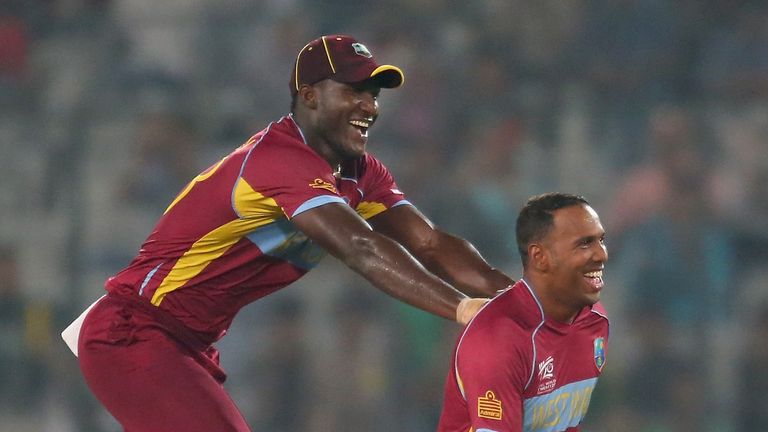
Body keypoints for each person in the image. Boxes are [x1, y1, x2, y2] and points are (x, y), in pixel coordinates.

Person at [62, 34, 513, 431]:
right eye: (355, 90)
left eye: (373, 95)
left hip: (183, 344)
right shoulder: (278, 160)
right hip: (134, 332)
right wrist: (463, 309)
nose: (369, 106)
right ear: (310, 95)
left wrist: (518, 299)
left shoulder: (360, 172)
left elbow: (430, 243)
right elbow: (360, 247)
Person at [437, 192, 609, 432]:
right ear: (539, 257)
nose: (602, 254)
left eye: (601, 240)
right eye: (584, 243)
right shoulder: (497, 340)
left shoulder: (595, 321)